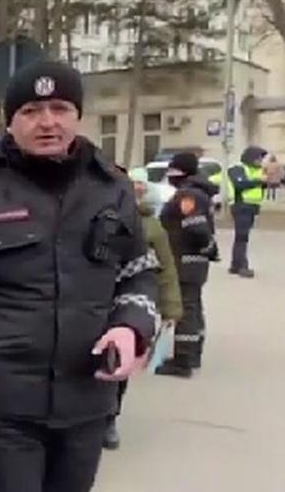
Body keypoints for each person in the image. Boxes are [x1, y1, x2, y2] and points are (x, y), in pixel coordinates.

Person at [0, 59, 159, 492]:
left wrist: (131, 328)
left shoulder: (111, 188)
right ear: (10, 121)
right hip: (0, 407)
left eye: (60, 108)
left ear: (78, 115)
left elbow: (139, 271)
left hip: (87, 402)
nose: (47, 122)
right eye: (31, 111)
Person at [105, 168, 183, 449]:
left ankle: (110, 418)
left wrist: (171, 308)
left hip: (123, 304)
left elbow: (164, 269)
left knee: (118, 366)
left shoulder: (149, 225)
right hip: (88, 304)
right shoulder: (84, 215)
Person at [156, 153, 218, 379]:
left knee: (185, 308)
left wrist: (208, 248)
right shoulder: (198, 193)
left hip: (185, 260)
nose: (169, 176)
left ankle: (183, 360)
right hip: (194, 261)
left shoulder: (188, 195)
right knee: (194, 306)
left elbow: (197, 228)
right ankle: (193, 353)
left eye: (172, 171)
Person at [226, 145, 267, 278]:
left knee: (242, 237)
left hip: (251, 207)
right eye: (258, 158)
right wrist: (259, 181)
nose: (260, 161)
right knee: (242, 237)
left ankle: (235, 264)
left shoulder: (258, 170)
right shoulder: (237, 169)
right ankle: (242, 266)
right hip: (241, 205)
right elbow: (240, 184)